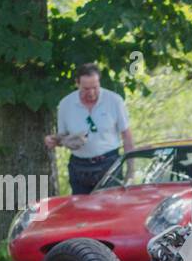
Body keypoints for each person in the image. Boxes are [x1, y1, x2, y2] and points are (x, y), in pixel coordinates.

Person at [46, 64, 135, 195]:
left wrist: (130, 171)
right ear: (77, 83)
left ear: (99, 82)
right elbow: (61, 137)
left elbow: (127, 136)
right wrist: (53, 140)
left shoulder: (115, 101)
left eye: (95, 87)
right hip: (79, 166)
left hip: (109, 163)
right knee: (82, 210)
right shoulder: (66, 104)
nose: (91, 93)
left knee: (110, 210)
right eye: (86, 88)